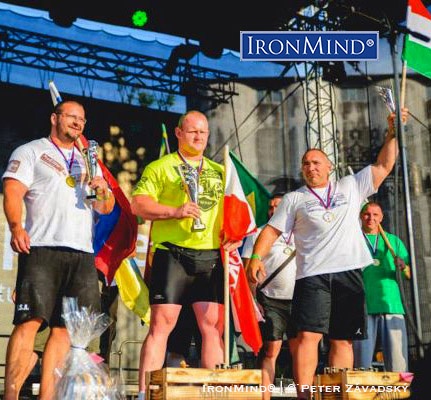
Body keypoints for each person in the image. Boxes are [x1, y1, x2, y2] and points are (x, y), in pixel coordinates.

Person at [247, 109, 407, 400]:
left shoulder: (351, 185)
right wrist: (256, 258)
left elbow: (384, 165)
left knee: (343, 340)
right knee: (308, 337)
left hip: (349, 274)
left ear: (330, 166)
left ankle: (336, 394)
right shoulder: (295, 199)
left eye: (316, 162)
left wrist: (393, 132)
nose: (311, 168)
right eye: (305, 164)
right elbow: (270, 231)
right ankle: (305, 395)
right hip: (312, 276)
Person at [2, 99, 115, 400]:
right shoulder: (31, 151)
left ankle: (48, 397)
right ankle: (10, 395)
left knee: (66, 330)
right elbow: (13, 191)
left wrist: (102, 188)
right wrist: (16, 226)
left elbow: (106, 208)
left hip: (81, 253)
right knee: (29, 322)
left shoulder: (88, 160)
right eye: (71, 117)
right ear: (55, 118)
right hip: (42, 247)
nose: (78, 123)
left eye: (82, 119)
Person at [130, 110, 241, 399]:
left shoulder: (221, 171)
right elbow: (138, 205)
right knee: (161, 325)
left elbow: (237, 211)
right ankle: (145, 393)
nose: (199, 137)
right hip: (173, 254)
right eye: (192, 131)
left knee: (212, 328)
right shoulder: (161, 167)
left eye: (203, 132)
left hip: (211, 256)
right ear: (179, 133)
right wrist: (174, 212)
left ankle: (216, 393)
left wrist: (235, 235)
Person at [242, 192, 297, 400]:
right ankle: (265, 397)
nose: (274, 210)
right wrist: (253, 301)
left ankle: (303, 394)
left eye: (279, 206)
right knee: (270, 350)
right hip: (270, 299)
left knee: (300, 351)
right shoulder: (258, 233)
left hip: (301, 299)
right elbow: (247, 271)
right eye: (271, 207)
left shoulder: (302, 231)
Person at [353, 201, 410, 372]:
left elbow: (408, 274)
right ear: (361, 216)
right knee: (361, 360)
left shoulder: (393, 241)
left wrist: (403, 265)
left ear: (381, 217)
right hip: (362, 304)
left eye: (375, 215)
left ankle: (400, 392)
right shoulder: (353, 240)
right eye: (367, 214)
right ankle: (362, 395)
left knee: (398, 359)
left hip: (391, 304)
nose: (371, 218)